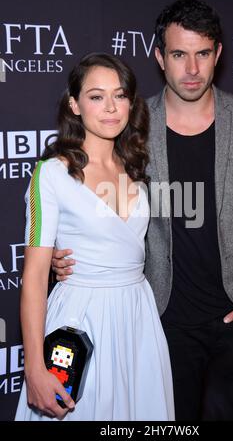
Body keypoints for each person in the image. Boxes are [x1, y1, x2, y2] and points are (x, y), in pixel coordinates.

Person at [52, 0, 233, 420]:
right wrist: (62, 249)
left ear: (218, 54)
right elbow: (94, 196)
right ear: (160, 57)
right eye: (179, 54)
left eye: (202, 54)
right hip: (161, 321)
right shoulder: (130, 124)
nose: (191, 69)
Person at [15, 53, 174, 421]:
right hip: (80, 319)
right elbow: (36, 278)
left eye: (119, 96)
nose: (111, 108)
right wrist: (35, 367)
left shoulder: (136, 165)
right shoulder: (51, 174)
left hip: (138, 318)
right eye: (96, 96)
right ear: (74, 104)